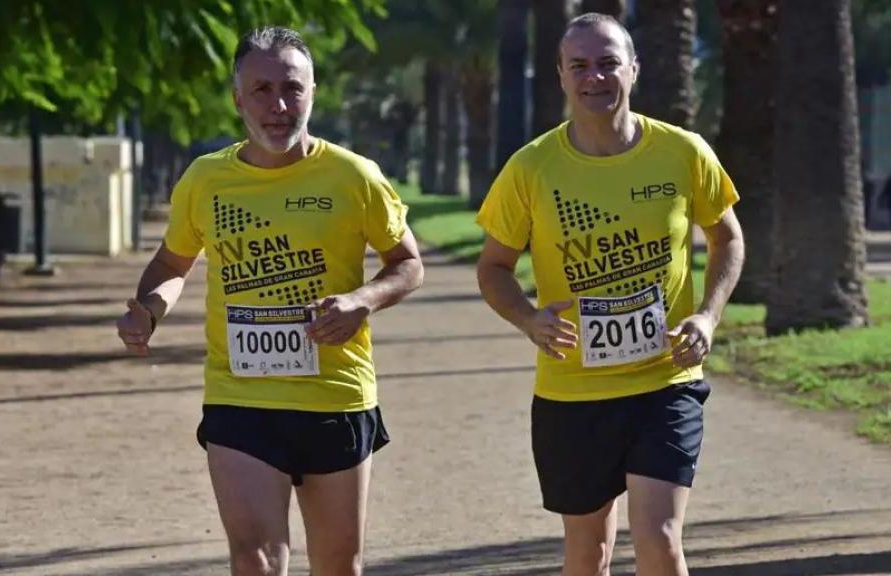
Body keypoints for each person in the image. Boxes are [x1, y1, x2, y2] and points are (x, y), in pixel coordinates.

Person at [116, 26, 423, 576]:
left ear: (313, 93)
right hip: (240, 397)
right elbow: (171, 265)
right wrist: (149, 310)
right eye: (262, 90)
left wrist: (363, 300)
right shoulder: (207, 179)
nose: (278, 106)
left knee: (338, 564)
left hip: (334, 395)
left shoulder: (354, 177)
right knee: (254, 559)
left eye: (292, 89)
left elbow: (407, 263)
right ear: (238, 98)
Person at [476, 13, 744, 576]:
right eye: (579, 66)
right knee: (588, 552)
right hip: (572, 392)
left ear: (633, 69)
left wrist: (707, 316)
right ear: (560, 75)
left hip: (664, 381)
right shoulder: (531, 168)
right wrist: (529, 319)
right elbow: (494, 268)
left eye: (607, 63)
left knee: (660, 539)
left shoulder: (683, 152)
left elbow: (727, 238)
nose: (594, 77)